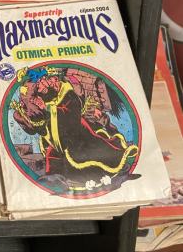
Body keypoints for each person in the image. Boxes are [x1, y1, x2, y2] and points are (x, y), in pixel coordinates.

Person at [11, 66, 139, 191]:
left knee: (90, 154)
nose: (45, 86)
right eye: (39, 87)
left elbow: (70, 112)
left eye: (47, 82)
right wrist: (28, 116)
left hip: (77, 133)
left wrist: (48, 109)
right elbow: (38, 127)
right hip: (56, 138)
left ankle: (112, 169)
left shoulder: (68, 93)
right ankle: (54, 177)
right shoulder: (44, 98)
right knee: (52, 153)